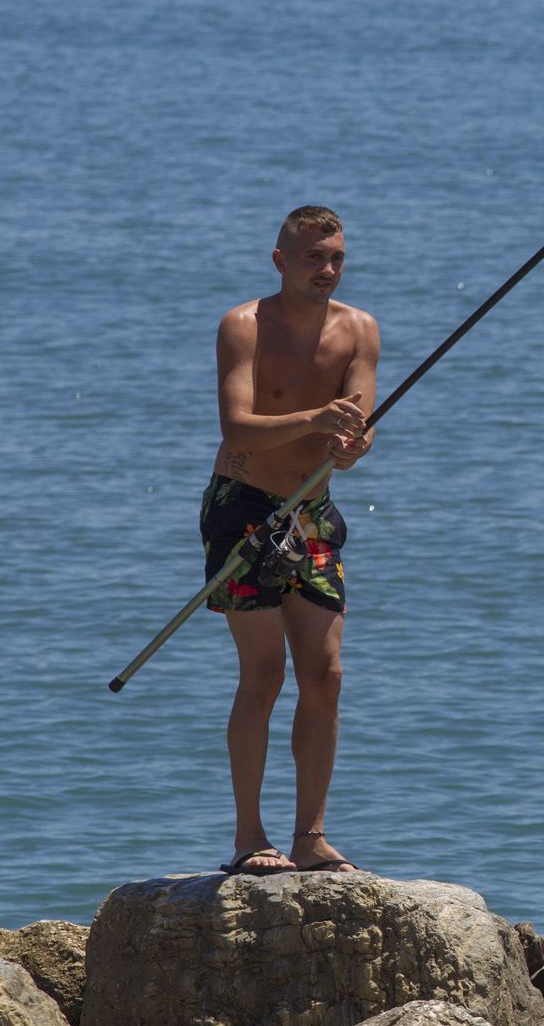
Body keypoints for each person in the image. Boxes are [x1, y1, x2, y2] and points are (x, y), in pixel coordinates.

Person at [201, 205, 380, 875]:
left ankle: (311, 836)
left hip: (313, 512)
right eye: (314, 259)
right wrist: (313, 417)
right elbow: (239, 426)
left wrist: (352, 444)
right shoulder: (242, 326)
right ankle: (251, 837)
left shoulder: (359, 330)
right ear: (281, 260)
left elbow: (358, 431)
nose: (327, 270)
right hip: (242, 507)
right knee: (265, 673)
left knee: (326, 675)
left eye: (336, 258)